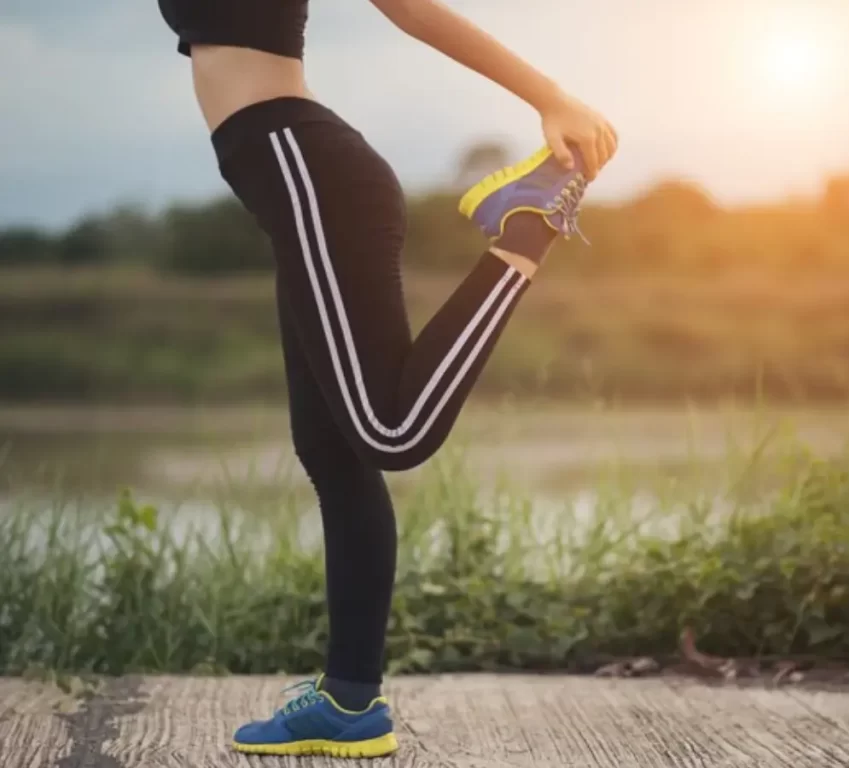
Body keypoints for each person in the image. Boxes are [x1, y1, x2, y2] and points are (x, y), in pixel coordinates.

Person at [157, 0, 617, 758]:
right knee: (332, 452)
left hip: (308, 169)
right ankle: (349, 701)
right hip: (295, 183)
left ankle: (527, 227)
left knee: (389, 430)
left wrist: (549, 97)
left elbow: (407, 5)